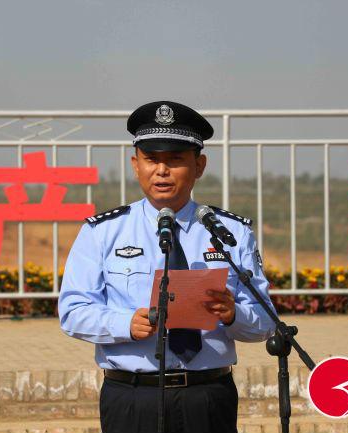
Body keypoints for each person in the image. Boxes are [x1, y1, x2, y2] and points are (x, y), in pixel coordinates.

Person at [58, 101, 277, 433]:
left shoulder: (229, 233)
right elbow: (73, 311)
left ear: (199, 165)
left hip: (207, 395)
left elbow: (265, 322)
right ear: (135, 165)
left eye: (175, 160)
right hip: (132, 397)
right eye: (151, 159)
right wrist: (124, 323)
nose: (161, 170)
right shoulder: (102, 232)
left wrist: (234, 314)